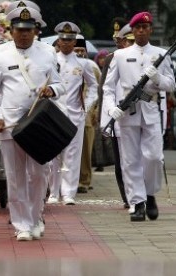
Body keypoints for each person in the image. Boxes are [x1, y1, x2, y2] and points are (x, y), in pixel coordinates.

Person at [0, 7, 64, 241]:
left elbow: (60, 84)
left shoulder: (48, 52)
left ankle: (37, 216)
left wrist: (52, 90)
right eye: (19, 30)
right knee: (16, 176)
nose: (24, 35)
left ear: (35, 31)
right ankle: (21, 224)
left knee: (39, 174)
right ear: (11, 31)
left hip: (39, 123)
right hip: (11, 124)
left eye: (28, 30)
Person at [103, 11, 176, 221]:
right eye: (138, 28)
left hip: (151, 110)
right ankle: (138, 203)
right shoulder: (120, 56)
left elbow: (171, 85)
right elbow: (108, 88)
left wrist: (158, 77)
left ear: (150, 29)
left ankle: (150, 193)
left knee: (153, 157)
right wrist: (110, 109)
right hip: (127, 113)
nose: (141, 31)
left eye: (145, 27)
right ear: (133, 31)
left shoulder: (162, 54)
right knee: (130, 159)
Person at [47, 21, 98, 205]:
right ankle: (53, 192)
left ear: (74, 41)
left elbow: (94, 86)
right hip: (54, 112)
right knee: (53, 155)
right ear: (58, 41)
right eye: (63, 39)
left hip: (75, 113)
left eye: (70, 40)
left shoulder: (83, 64)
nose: (67, 43)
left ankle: (68, 192)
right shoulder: (51, 60)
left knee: (72, 154)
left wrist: (88, 106)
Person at [98, 19, 134, 209]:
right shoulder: (112, 58)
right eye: (123, 40)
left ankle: (140, 195)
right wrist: (106, 119)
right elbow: (105, 90)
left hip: (139, 117)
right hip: (117, 116)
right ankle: (127, 196)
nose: (123, 43)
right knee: (121, 162)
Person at [73, 35, 101, 194]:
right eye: (76, 50)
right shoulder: (64, 64)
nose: (79, 53)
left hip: (87, 115)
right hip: (69, 112)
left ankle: (84, 181)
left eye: (81, 50)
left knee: (85, 151)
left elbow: (100, 91)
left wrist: (96, 111)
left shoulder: (92, 67)